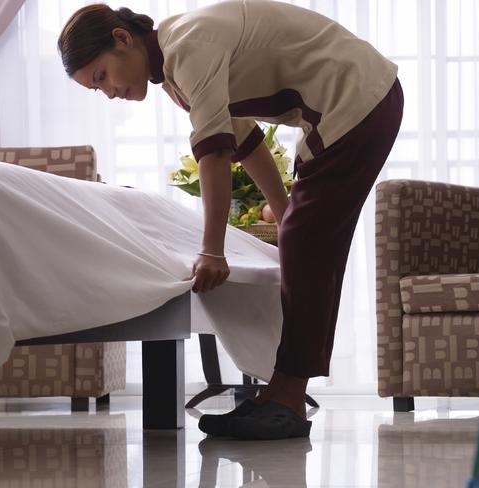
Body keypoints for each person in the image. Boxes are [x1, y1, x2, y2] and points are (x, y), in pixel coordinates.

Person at [58, 0, 403, 440]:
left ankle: (288, 399)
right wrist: (284, 215)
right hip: (355, 103)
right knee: (306, 242)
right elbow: (246, 141)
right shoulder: (176, 70)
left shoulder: (187, 47)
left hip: (357, 99)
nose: (108, 92)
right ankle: (283, 394)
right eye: (96, 88)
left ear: (122, 39)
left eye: (102, 75)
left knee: (311, 248)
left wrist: (212, 250)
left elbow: (216, 154)